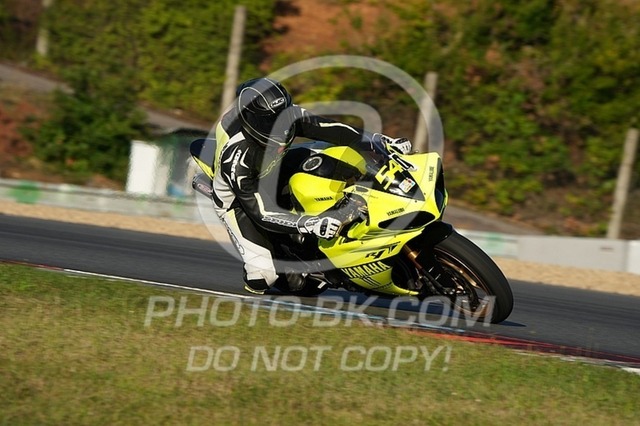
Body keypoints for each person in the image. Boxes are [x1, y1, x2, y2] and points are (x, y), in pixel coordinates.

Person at [209, 77, 412, 295]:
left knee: (332, 158)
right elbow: (261, 212)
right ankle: (277, 258)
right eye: (270, 122)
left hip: (274, 168)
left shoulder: (287, 116)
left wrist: (382, 142)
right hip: (240, 201)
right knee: (262, 277)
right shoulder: (236, 157)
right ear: (251, 120)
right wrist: (310, 223)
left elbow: (335, 130)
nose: (280, 127)